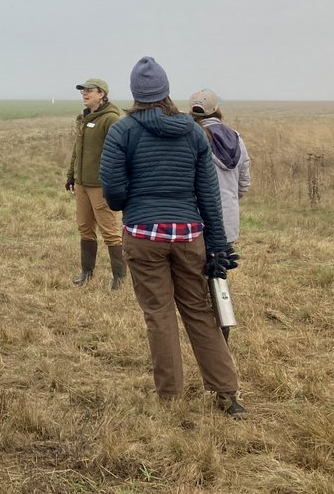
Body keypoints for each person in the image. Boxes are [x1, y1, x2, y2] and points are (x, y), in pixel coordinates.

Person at [99, 57, 246, 418]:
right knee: (199, 312)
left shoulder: (123, 131)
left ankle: (170, 397)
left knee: (159, 314)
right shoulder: (194, 132)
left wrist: (139, 194)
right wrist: (217, 246)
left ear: (135, 94)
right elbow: (209, 195)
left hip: (143, 236)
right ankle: (227, 394)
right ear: (166, 91)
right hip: (189, 236)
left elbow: (114, 194)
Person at [65, 77, 126, 288]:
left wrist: (113, 182)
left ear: (101, 94)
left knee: (109, 230)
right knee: (84, 228)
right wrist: (71, 176)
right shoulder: (84, 118)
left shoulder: (110, 120)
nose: (84, 93)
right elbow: (78, 150)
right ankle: (86, 272)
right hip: (82, 184)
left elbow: (119, 154)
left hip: (101, 185)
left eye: (89, 90)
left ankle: (119, 277)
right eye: (82, 90)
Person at [188, 90, 251, 246]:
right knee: (220, 267)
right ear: (216, 110)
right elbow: (243, 184)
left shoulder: (191, 139)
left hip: (196, 220)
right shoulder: (236, 138)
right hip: (227, 221)